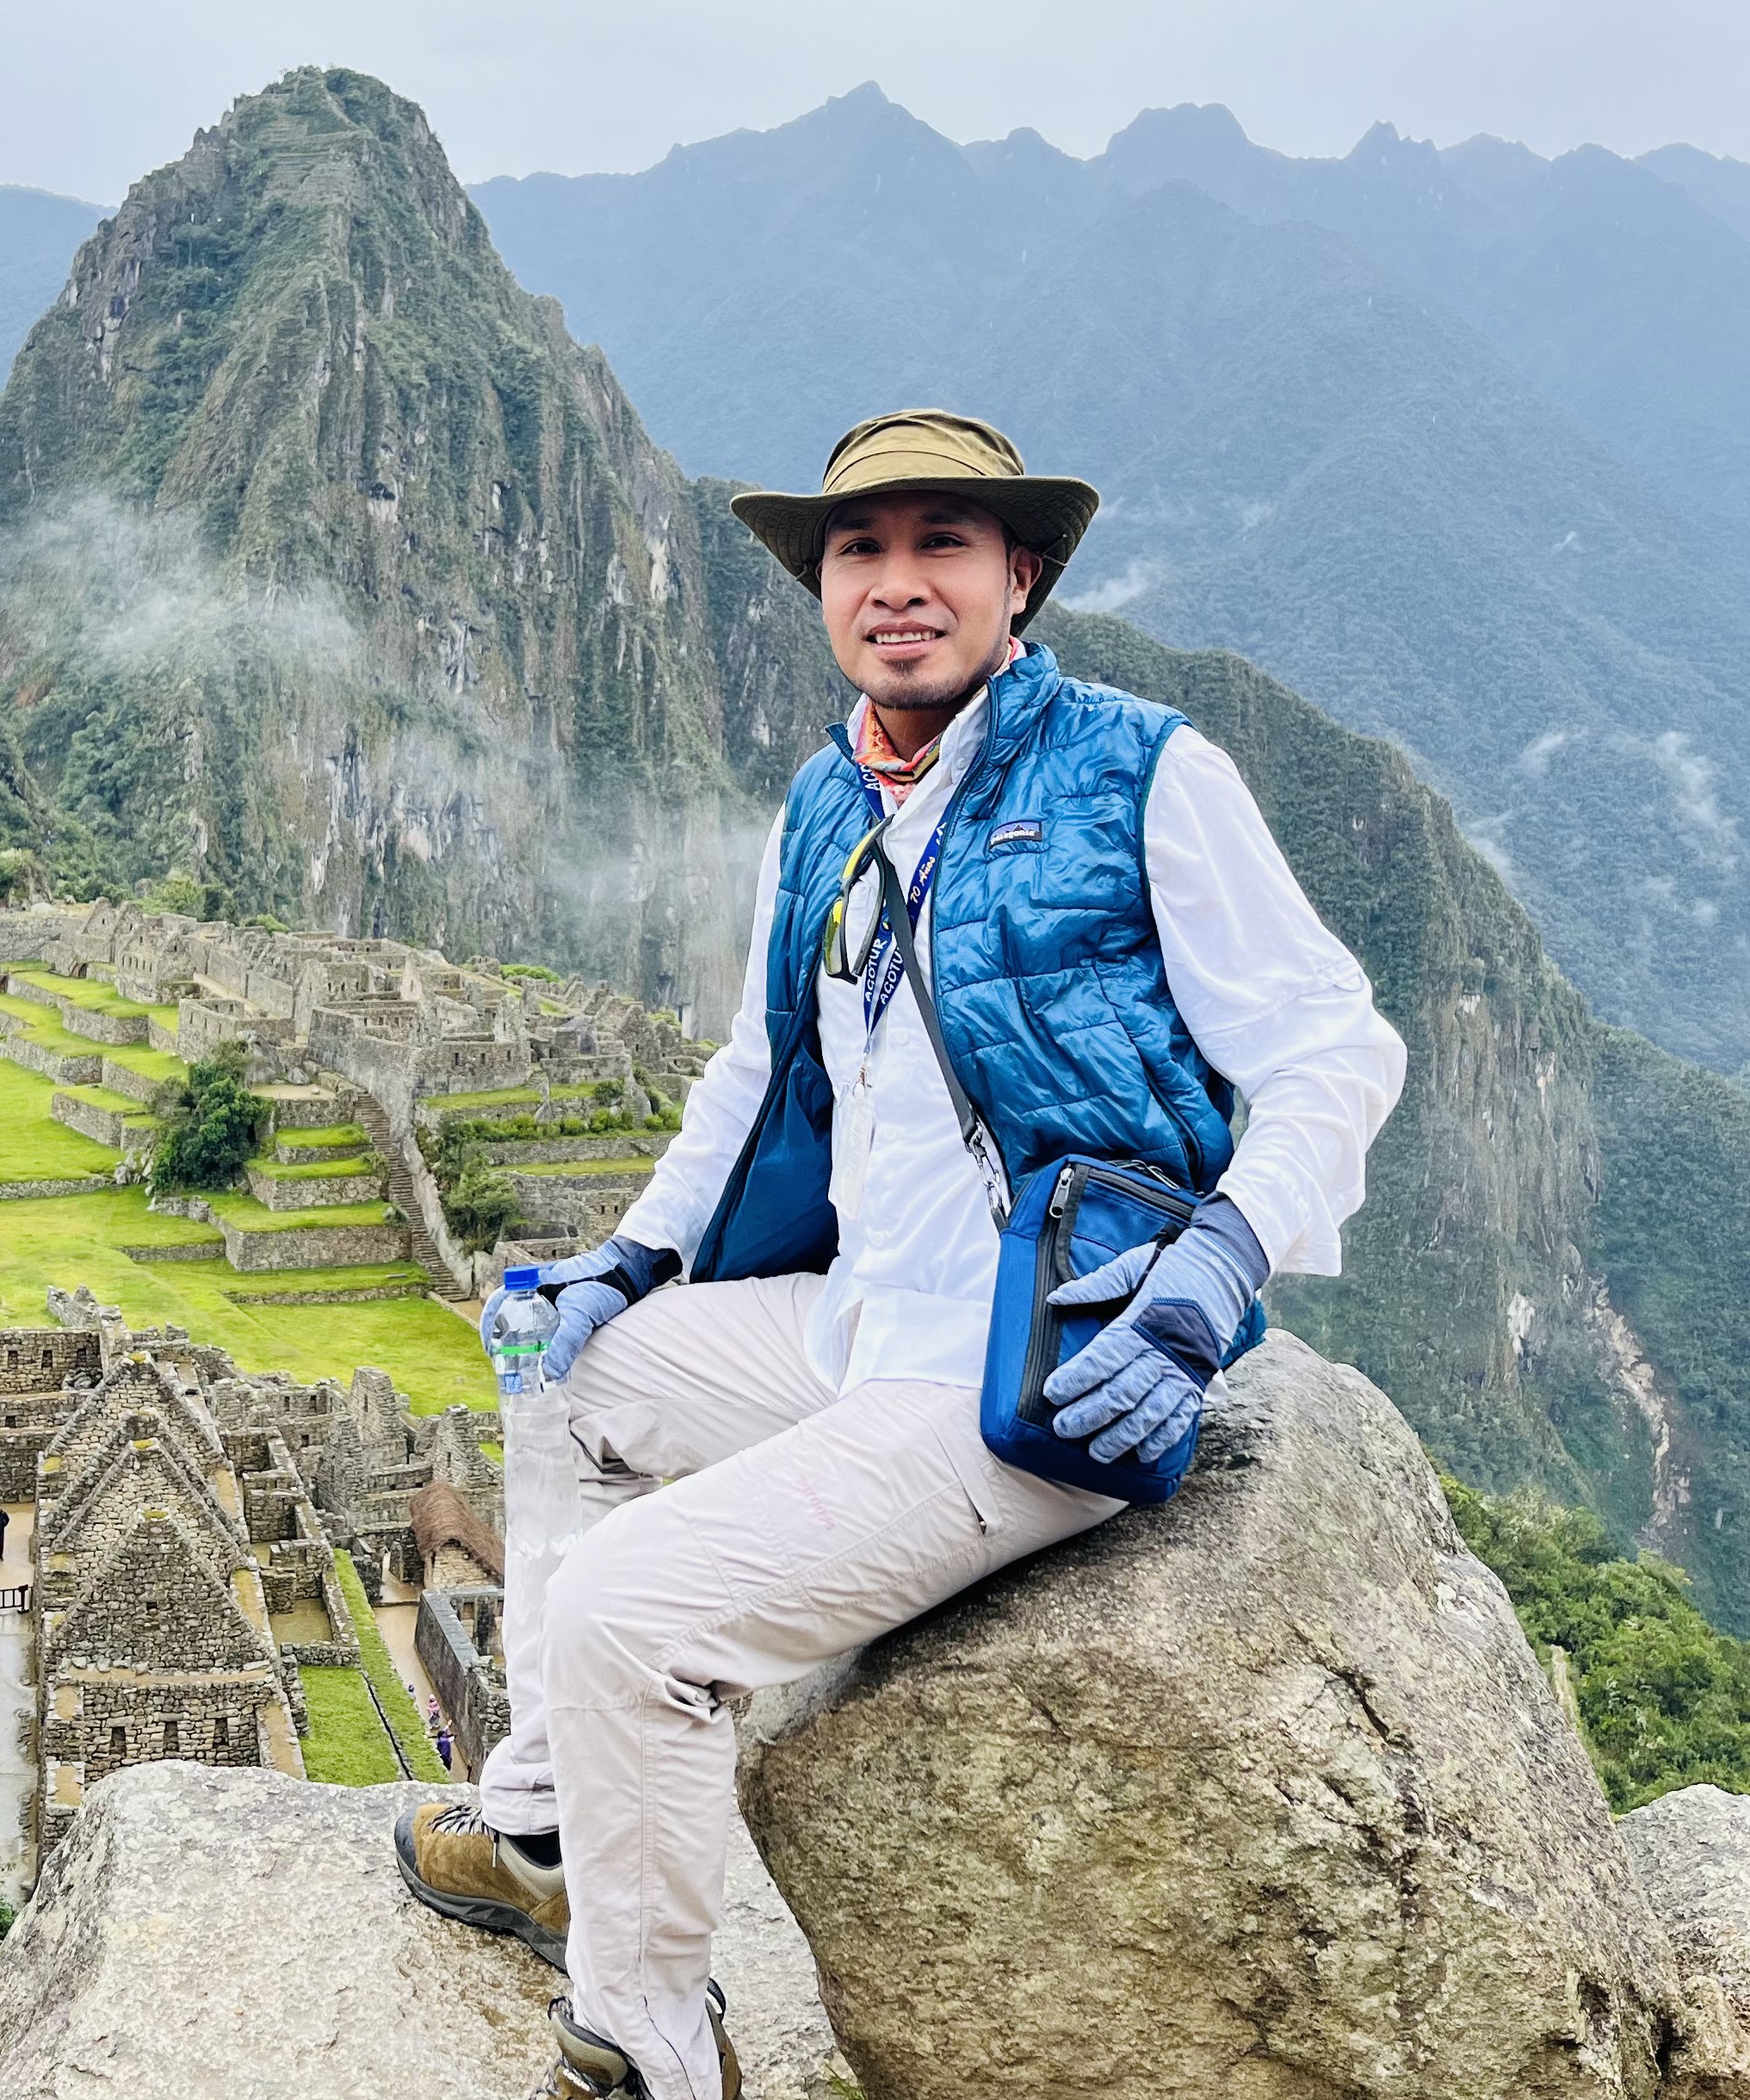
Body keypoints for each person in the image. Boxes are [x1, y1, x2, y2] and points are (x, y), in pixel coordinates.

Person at [392, 412, 1407, 2100]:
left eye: (943, 541)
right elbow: (747, 1064)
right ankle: (549, 1826)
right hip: (858, 1328)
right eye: (859, 549)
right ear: (822, 588)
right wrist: (628, 1263)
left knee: (638, 1615)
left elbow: (1329, 1051)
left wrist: (1213, 1269)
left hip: (1032, 1364)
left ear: (1021, 573)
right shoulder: (825, 802)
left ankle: (648, 2029)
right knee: (553, 1366)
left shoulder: (1139, 773)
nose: (897, 581)